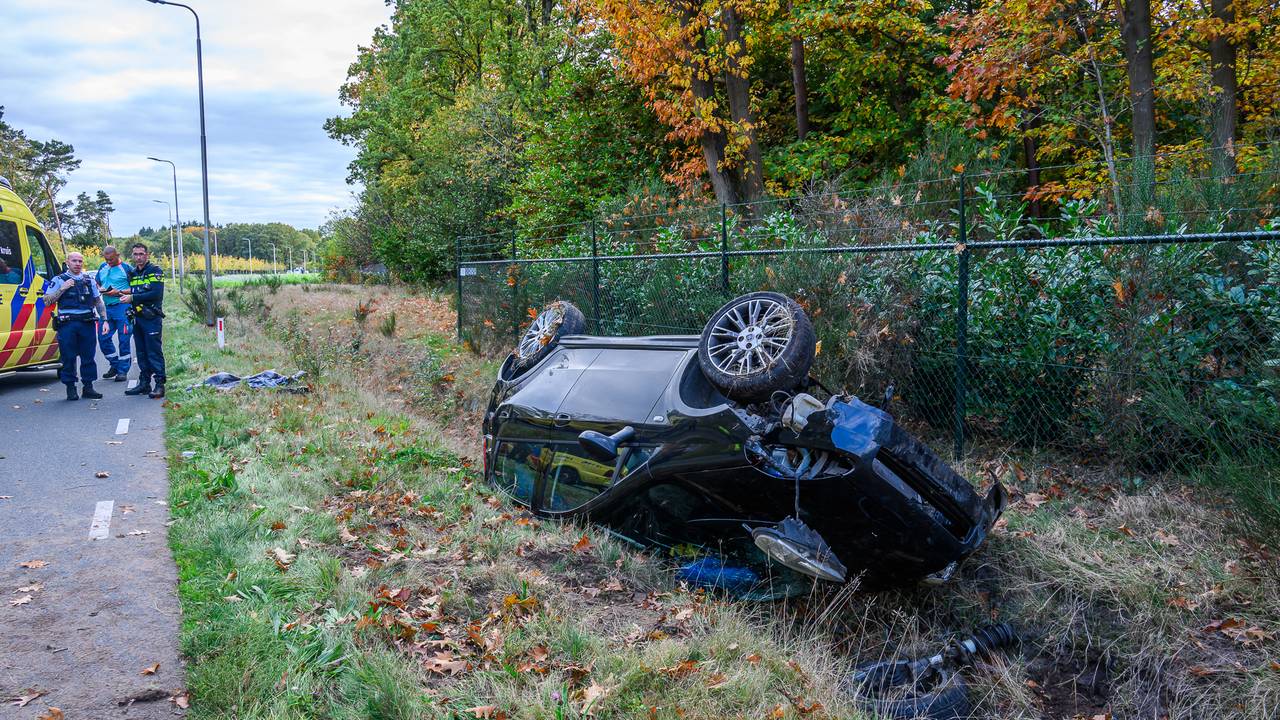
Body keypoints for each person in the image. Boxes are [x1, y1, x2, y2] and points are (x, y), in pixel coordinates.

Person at [42, 251, 107, 401]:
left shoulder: (89, 280)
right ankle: (70, 388)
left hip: (87, 322)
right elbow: (47, 301)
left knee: (88, 356)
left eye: (80, 261)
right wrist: (62, 288)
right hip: (67, 324)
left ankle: (88, 387)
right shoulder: (58, 280)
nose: (77, 264)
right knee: (68, 357)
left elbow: (98, 301)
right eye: (74, 261)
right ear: (67, 262)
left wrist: (104, 319)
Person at [120, 242, 166, 399]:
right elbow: (134, 291)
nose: (138, 257)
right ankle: (144, 383)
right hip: (137, 318)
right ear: (132, 256)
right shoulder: (133, 273)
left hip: (151, 318)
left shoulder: (155, 271)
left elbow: (156, 294)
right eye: (135, 254)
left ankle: (159, 385)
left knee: (153, 351)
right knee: (141, 352)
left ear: (147, 255)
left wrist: (132, 297)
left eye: (141, 254)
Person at [95, 245, 132, 382]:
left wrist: (119, 292)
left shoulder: (127, 269)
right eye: (106, 259)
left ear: (118, 255)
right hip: (107, 309)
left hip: (123, 307)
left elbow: (135, 288)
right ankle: (115, 365)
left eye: (111, 259)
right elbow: (97, 282)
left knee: (124, 340)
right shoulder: (102, 267)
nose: (108, 262)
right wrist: (101, 289)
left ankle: (123, 371)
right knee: (103, 338)